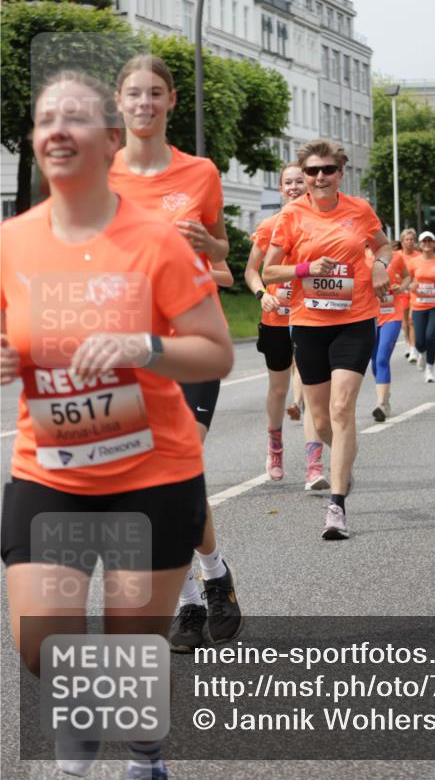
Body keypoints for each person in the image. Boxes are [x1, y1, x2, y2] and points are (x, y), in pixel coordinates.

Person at [0, 70, 233, 780]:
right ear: (37, 143)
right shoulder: (11, 243)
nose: (58, 130)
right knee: (41, 641)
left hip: (154, 474)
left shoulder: (154, 241)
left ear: (109, 142)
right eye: (46, 119)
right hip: (50, 471)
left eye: (75, 118)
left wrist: (146, 347)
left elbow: (217, 352)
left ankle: (144, 753)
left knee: (134, 646)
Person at [109, 54, 241, 653]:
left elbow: (221, 253)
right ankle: (193, 598)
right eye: (133, 93)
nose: (143, 102)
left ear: (170, 102)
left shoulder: (202, 173)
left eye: (154, 93)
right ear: (119, 102)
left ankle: (212, 580)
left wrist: (207, 242)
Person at [262, 139, 392, 540]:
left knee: (341, 407)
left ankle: (337, 506)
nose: (320, 177)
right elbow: (269, 271)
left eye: (328, 170)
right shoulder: (291, 216)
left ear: (341, 173)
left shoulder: (359, 210)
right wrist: (304, 267)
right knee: (319, 419)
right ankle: (344, 460)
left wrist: (382, 265)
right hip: (308, 323)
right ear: (305, 176)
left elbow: (382, 244)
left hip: (355, 319)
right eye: (312, 171)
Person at [244, 163, 328, 490]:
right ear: (280, 188)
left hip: (311, 316)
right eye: (287, 182)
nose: (293, 187)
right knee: (279, 389)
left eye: (298, 181)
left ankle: (314, 466)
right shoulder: (269, 225)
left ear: (307, 185)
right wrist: (261, 294)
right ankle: (275, 448)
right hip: (276, 318)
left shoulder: (318, 223)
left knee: (309, 385)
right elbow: (253, 271)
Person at [402, 231, 435, 382]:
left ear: (434, 243)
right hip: (418, 305)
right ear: (420, 244)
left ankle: (429, 370)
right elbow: (407, 282)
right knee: (419, 341)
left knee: (430, 337)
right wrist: (410, 286)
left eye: (430, 241)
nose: (427, 243)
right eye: (424, 241)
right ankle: (422, 354)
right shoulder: (413, 262)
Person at [371, 244, 409, 419]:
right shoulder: (359, 257)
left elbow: (407, 277)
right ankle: (385, 395)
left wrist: (401, 287)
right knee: (374, 363)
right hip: (369, 316)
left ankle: (381, 404)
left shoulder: (396, 257)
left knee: (382, 358)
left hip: (392, 314)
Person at [399, 228, 420, 360]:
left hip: (415, 293)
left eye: (412, 239)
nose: (409, 242)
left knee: (412, 321)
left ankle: (413, 349)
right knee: (405, 322)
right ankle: (408, 343)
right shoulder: (397, 256)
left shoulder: (419, 256)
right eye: (407, 239)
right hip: (401, 293)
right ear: (402, 242)